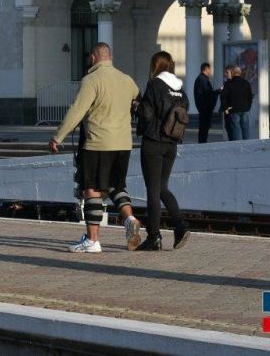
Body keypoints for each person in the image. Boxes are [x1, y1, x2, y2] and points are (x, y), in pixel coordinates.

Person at [48, 43, 143, 252]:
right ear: (110, 56)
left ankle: (92, 240)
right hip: (123, 144)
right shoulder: (127, 80)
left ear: (93, 58)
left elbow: (77, 110)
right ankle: (130, 219)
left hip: (98, 142)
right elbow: (139, 102)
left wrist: (58, 137)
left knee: (91, 188)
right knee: (116, 186)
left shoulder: (91, 80)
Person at [135, 51, 191, 251]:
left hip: (154, 143)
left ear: (155, 66)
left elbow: (147, 114)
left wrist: (135, 106)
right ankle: (180, 225)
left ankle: (154, 237)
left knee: (153, 191)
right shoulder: (180, 89)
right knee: (162, 188)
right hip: (171, 144)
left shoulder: (154, 85)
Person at [221, 65, 254, 141]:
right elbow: (250, 97)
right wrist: (248, 107)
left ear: (232, 73)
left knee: (236, 129)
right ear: (240, 73)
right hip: (245, 109)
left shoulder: (228, 83)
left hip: (233, 109)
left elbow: (223, 96)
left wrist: (225, 108)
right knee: (245, 128)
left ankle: (238, 145)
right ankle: (246, 143)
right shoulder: (246, 83)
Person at [193, 62, 220, 144]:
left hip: (203, 106)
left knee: (203, 126)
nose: (210, 71)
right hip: (205, 107)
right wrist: (218, 91)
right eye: (209, 69)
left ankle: (202, 141)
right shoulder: (203, 79)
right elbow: (208, 93)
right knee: (204, 126)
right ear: (206, 69)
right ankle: (202, 142)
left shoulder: (201, 78)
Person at [218, 65, 234, 140]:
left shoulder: (232, 83)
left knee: (231, 128)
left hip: (230, 109)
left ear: (232, 73)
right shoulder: (226, 82)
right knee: (228, 127)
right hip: (226, 109)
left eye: (227, 72)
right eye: (225, 72)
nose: (225, 74)